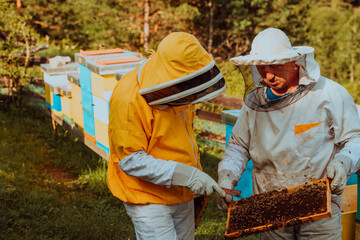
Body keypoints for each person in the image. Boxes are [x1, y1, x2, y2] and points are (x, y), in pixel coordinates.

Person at [216, 27, 360, 239]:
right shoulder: (254, 102)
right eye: (262, 67)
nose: (268, 75)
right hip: (269, 205)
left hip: (319, 206)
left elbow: (355, 139)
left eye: (275, 66)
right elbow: (239, 145)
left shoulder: (328, 93)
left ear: (293, 61)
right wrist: (227, 174)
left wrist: (344, 162)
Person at [106, 32, 226, 240]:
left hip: (182, 191)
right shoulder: (128, 97)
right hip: (147, 197)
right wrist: (187, 175)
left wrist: (188, 177)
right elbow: (131, 160)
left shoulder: (180, 84)